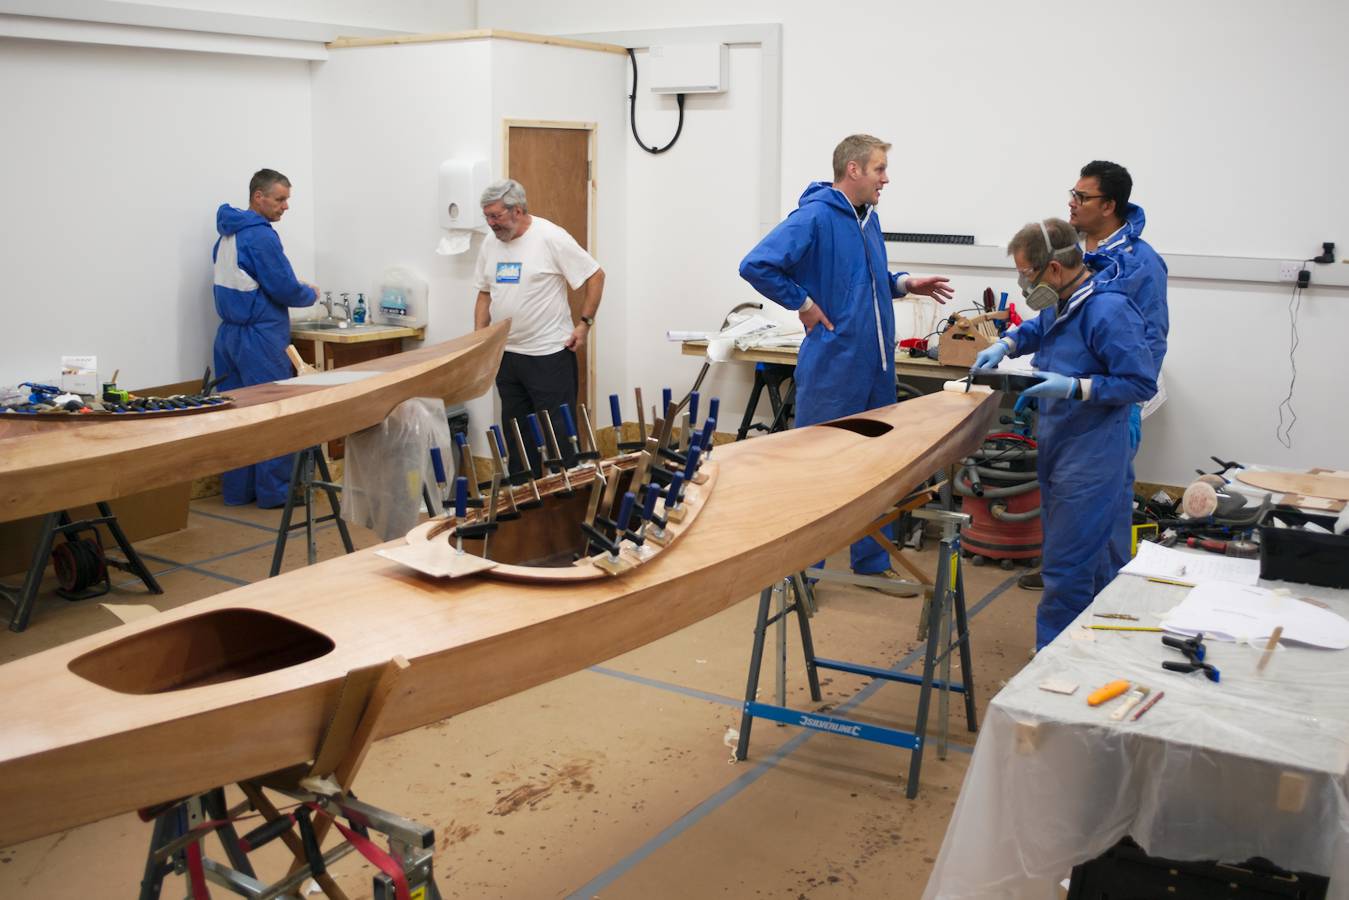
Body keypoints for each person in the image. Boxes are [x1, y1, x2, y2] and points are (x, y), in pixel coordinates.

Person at [738, 134, 953, 585]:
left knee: (876, 471)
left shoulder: (867, 218)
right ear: (853, 170)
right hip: (834, 366)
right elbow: (757, 264)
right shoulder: (815, 216)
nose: (886, 178)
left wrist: (905, 284)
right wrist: (803, 303)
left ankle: (872, 564)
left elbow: (866, 280)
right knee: (817, 471)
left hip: (876, 367)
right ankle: (803, 574)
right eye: (879, 169)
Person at [973, 218, 1155, 649]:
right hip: (1065, 442)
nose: (1022, 283)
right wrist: (1007, 344)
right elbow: (1043, 325)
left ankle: (1051, 659)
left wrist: (1076, 387)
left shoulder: (1108, 310)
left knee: (1067, 566)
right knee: (1099, 559)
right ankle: (1098, 649)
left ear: (1053, 269)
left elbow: (1140, 382)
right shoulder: (1066, 299)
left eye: (1026, 274)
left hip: (1092, 451)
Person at [1071, 160, 1169, 572]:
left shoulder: (1140, 263)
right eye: (1072, 194)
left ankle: (1105, 593)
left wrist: (1123, 396)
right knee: (1069, 501)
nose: (1072, 203)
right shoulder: (1072, 253)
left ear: (1109, 205)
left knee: (1107, 507)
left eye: (1082, 197)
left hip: (1110, 404)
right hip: (1069, 397)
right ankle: (1070, 567)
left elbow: (1152, 339)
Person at [474, 179, 604, 482]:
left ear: (517, 210)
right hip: (507, 356)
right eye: (487, 217)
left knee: (560, 437)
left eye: (496, 216)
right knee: (518, 439)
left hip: (548, 355)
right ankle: (525, 507)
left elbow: (595, 275)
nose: (491, 224)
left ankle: (566, 504)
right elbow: (483, 292)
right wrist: (479, 336)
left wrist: (584, 324)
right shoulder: (490, 243)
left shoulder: (550, 237)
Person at [212, 168, 318, 508]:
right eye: (280, 199)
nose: (285, 206)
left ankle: (238, 492)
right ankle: (275, 494)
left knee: (236, 416)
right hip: (260, 337)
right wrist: (309, 293)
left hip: (228, 336)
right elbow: (283, 287)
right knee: (275, 413)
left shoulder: (228, 234)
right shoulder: (261, 236)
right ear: (259, 197)